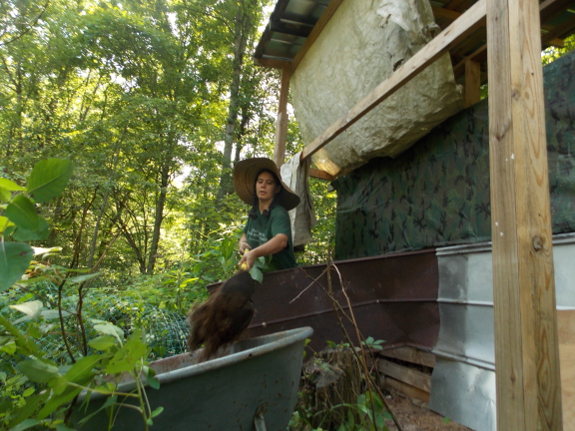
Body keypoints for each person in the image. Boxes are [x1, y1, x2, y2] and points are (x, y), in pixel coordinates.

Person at [234, 157, 300, 272]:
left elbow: (281, 240)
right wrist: (242, 243)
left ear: (277, 189)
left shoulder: (279, 213)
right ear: (255, 186)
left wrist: (254, 253)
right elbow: (246, 233)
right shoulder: (254, 211)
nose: (263, 186)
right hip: (260, 274)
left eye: (269, 183)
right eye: (260, 182)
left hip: (283, 275)